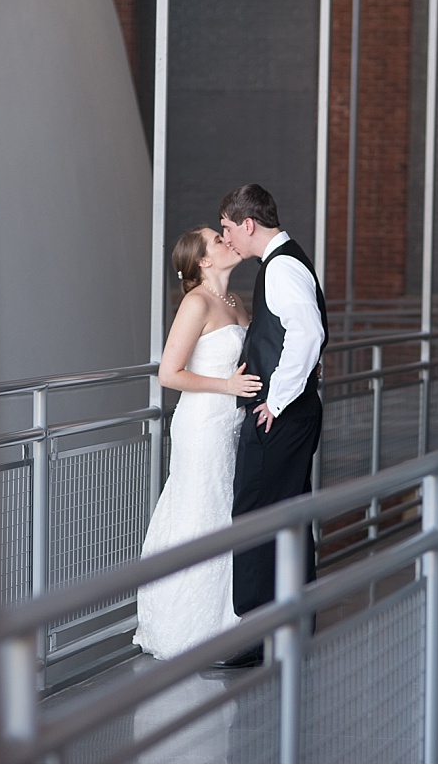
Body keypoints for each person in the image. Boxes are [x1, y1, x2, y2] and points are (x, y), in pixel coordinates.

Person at [133, 226, 260, 665]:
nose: (227, 241)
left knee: (227, 511)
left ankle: (231, 622)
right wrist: (226, 385)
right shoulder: (196, 302)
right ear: (203, 261)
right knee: (200, 511)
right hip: (204, 423)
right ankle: (191, 629)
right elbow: (169, 374)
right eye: (216, 239)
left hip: (232, 424)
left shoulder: (235, 301)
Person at [219, 184, 326, 628]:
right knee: (288, 515)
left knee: (253, 514)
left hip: (281, 414)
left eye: (227, 228)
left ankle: (258, 632)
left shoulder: (281, 268)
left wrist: (275, 402)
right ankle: (293, 622)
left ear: (248, 224)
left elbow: (307, 333)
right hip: (292, 412)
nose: (226, 239)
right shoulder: (285, 261)